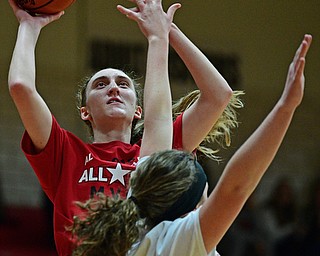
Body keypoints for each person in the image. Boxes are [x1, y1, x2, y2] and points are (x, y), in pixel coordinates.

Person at [7, 0, 242, 254]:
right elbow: (21, 87)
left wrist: (166, 28)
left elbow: (219, 94)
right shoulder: (65, 154)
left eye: (123, 83)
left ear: (139, 111)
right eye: (100, 84)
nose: (114, 88)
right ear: (85, 112)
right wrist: (29, 27)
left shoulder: (158, 149)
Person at [71, 31, 312, 255]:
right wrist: (286, 107)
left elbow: (158, 118)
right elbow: (235, 187)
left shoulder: (140, 209)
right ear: (192, 201)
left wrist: (160, 32)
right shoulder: (179, 239)